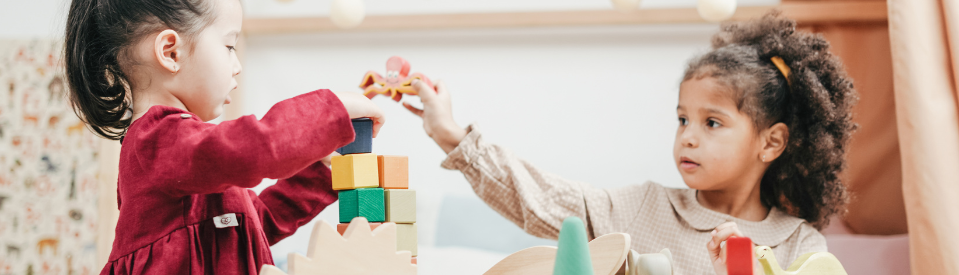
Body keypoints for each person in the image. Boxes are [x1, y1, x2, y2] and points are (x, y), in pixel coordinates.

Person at [404, 12, 856, 275]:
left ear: (771, 143)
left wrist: (752, 264)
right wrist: (450, 134)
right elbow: (537, 197)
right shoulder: (642, 208)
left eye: (712, 123)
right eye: (682, 119)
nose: (688, 136)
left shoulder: (799, 245)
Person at [63, 0, 385, 273]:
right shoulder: (155, 140)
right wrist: (332, 110)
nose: (237, 66)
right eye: (229, 46)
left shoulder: (190, 156)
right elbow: (256, 149)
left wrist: (323, 172)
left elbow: (256, 222)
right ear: (171, 52)